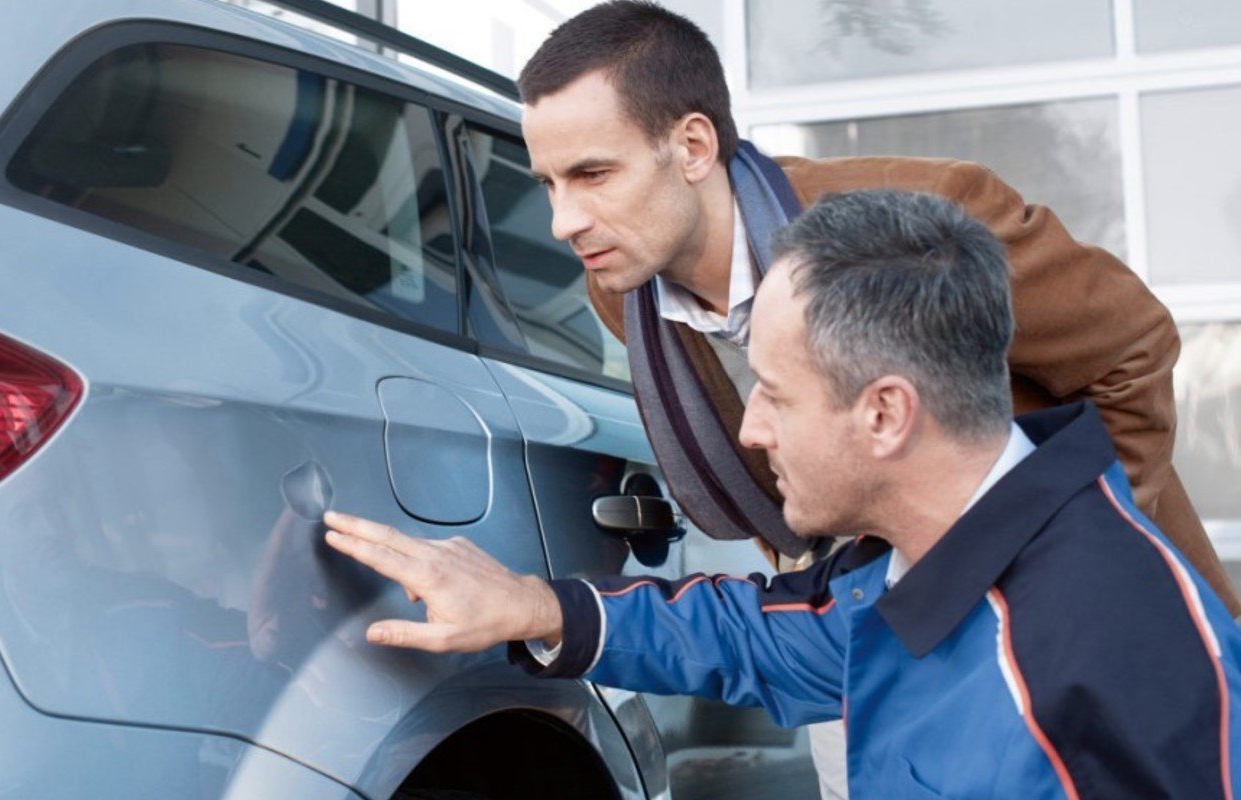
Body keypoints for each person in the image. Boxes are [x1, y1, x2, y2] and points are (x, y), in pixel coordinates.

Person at [515, 5, 1235, 794]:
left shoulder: (915, 225)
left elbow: (1131, 347)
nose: (562, 221)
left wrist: (1070, 552)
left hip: (1052, 605)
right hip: (860, 595)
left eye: (591, 174)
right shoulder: (623, 289)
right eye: (547, 183)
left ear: (692, 147)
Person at [324, 190, 1241, 798]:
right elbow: (759, 635)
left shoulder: (1113, 654)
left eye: (777, 392)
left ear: (885, 414)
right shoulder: (920, 571)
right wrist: (531, 604)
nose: (751, 429)